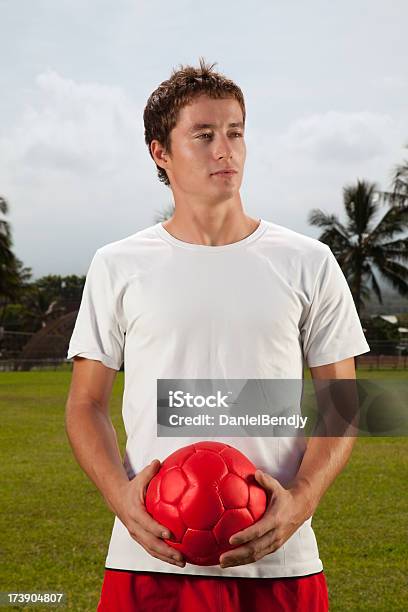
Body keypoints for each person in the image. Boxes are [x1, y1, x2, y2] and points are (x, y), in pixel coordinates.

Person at [65, 58, 370, 611]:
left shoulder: (309, 262)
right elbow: (86, 404)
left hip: (279, 562)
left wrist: (299, 502)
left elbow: (342, 401)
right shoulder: (117, 264)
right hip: (151, 562)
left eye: (234, 133)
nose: (224, 149)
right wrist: (120, 498)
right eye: (202, 135)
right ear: (160, 151)